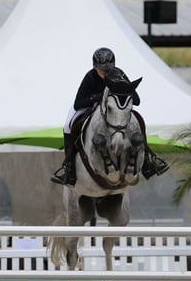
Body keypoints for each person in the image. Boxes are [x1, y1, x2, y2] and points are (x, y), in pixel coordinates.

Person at [51, 47, 169, 186]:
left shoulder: (119, 74)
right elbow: (78, 103)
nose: (105, 72)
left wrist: (121, 92)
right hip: (89, 106)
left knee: (137, 119)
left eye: (107, 69)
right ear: (95, 67)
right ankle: (69, 168)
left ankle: (148, 162)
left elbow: (136, 100)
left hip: (114, 110)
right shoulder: (90, 77)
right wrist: (99, 97)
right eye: (101, 69)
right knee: (67, 126)